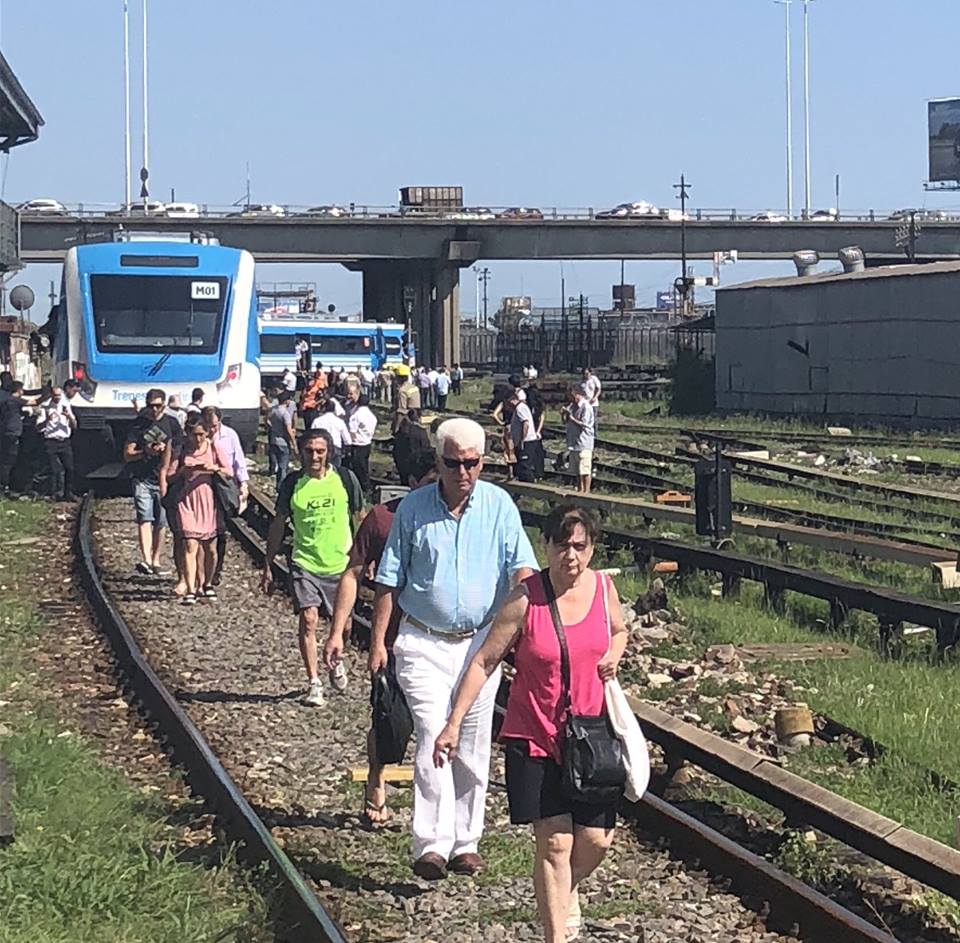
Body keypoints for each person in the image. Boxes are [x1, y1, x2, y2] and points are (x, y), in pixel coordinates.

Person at [434, 505, 628, 942]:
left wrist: (615, 653)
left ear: (592, 549)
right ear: (547, 546)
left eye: (580, 546)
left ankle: (564, 891)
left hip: (592, 739)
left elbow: (618, 630)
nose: (571, 556)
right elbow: (484, 661)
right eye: (563, 545)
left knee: (596, 841)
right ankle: (555, 936)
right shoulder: (526, 598)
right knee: (555, 843)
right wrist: (454, 723)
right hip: (535, 735)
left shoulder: (604, 589)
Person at [370, 417, 538, 880]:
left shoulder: (499, 506)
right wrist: (379, 641)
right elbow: (389, 579)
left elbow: (523, 570)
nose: (463, 472)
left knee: (472, 743)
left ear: (482, 462)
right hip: (423, 638)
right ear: (438, 463)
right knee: (431, 733)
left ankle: (466, 841)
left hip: (480, 645)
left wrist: (523, 632)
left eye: (472, 463)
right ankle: (431, 844)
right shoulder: (413, 510)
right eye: (453, 463)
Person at [323, 447, 439, 824]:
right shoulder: (382, 520)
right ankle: (376, 780)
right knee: (389, 719)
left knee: (434, 724)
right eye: (431, 483)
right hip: (390, 639)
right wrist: (338, 631)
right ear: (411, 485)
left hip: (438, 639)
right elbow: (352, 574)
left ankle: (435, 807)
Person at [261, 430, 363, 706]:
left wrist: (367, 557)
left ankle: (336, 657)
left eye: (320, 451)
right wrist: (268, 563)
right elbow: (279, 523)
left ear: (328, 451)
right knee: (308, 619)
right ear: (301, 452)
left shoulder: (345, 480)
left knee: (343, 626)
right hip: (305, 562)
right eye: (309, 451)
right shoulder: (293, 484)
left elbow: (360, 517)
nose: (315, 456)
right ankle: (314, 682)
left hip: (340, 563)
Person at [166, 415, 232, 604]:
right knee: (190, 544)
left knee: (210, 547)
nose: (198, 439)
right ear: (187, 433)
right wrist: (183, 471)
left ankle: (207, 583)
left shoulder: (213, 447)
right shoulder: (182, 450)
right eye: (194, 435)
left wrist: (213, 468)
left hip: (208, 499)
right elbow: (169, 476)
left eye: (201, 434)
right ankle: (191, 589)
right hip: (186, 500)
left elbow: (229, 471)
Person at [123, 388, 183, 575]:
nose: (154, 409)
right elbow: (127, 453)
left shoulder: (172, 424)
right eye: (151, 406)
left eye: (158, 406)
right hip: (142, 477)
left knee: (161, 521)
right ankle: (146, 559)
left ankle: (156, 558)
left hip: (163, 479)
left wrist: (168, 453)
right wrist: (145, 452)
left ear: (164, 405)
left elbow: (179, 450)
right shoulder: (138, 425)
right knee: (144, 518)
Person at [202, 406, 250, 586]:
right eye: (209, 426)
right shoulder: (199, 437)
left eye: (214, 425)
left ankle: (216, 569)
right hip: (203, 487)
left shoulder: (230, 435)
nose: (212, 430)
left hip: (223, 485)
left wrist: (243, 484)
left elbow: (238, 460)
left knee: (220, 529)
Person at [36, 386, 77, 501]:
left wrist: (69, 417)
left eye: (59, 395)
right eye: (55, 395)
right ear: (51, 395)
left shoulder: (65, 404)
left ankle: (68, 492)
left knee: (70, 468)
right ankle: (54, 494)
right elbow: (38, 427)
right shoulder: (45, 406)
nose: (58, 398)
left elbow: (75, 425)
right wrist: (47, 420)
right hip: (51, 441)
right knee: (54, 469)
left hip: (64, 440)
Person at [562, 384, 595, 494]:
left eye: (570, 396)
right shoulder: (572, 406)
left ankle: (586, 491)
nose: (569, 399)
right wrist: (564, 415)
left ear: (576, 394)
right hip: (574, 442)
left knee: (585, 469)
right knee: (577, 471)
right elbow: (566, 422)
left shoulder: (586, 407)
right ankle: (579, 490)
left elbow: (585, 424)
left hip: (584, 442)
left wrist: (571, 417)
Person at [347, 394, 377, 494]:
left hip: (357, 444)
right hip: (367, 443)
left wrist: (349, 443)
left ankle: (362, 487)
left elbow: (352, 431)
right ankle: (366, 485)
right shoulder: (372, 415)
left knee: (358, 467)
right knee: (365, 466)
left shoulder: (356, 415)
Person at [268, 391, 298, 490]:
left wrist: (271, 427)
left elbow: (266, 419)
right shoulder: (285, 413)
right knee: (283, 466)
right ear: (286, 401)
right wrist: (294, 443)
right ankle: (282, 486)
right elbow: (289, 430)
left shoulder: (273, 410)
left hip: (273, 439)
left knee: (277, 462)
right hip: (283, 441)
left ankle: (277, 484)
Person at [509, 388, 540, 483]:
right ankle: (523, 484)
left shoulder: (520, 408)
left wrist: (522, 439)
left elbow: (525, 423)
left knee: (524, 465)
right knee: (521, 465)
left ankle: (530, 485)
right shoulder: (520, 408)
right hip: (523, 441)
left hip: (527, 441)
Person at [0, 379, 26, 493]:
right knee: (9, 460)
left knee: (5, 460)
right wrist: (46, 394)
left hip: (5, 431)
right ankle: (4, 485)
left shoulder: (5, 400)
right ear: (19, 390)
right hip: (12, 433)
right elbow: (34, 402)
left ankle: (4, 484)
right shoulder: (15, 400)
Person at [392, 407, 430, 484]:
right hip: (417, 465)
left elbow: (396, 447)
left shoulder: (402, 431)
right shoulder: (421, 432)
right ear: (419, 418)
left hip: (403, 462)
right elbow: (426, 448)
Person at [312, 398, 351, 467]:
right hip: (336, 447)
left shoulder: (317, 420)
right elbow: (347, 439)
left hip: (322, 447)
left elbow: (312, 435)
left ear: (324, 408)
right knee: (336, 471)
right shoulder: (339, 421)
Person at [393, 365, 421, 432]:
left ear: (399, 378)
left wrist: (396, 428)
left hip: (407, 419)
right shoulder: (414, 387)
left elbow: (402, 411)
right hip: (417, 416)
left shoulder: (402, 390)